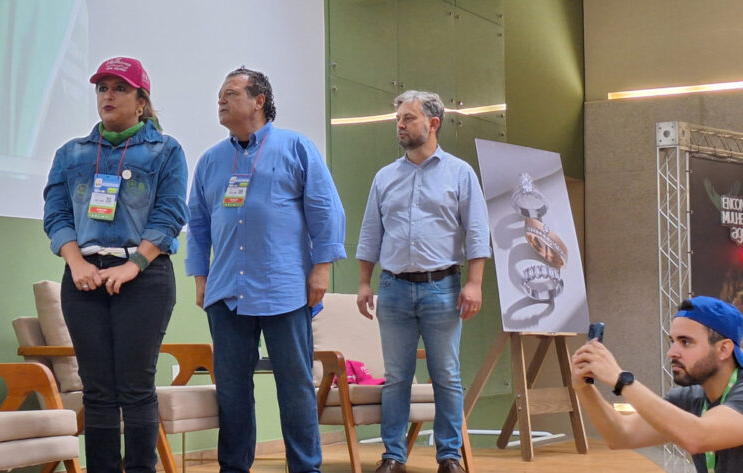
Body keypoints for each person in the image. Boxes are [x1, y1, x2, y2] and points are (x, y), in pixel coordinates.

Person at [186, 67, 346, 473]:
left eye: (231, 93)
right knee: (232, 390)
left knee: (295, 387)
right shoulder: (210, 160)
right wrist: (201, 279)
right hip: (226, 293)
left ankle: (305, 467)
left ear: (259, 100)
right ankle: (234, 467)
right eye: (220, 94)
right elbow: (198, 225)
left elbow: (326, 210)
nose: (221, 100)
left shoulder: (296, 147)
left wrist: (322, 269)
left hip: (285, 290)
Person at [43, 56, 188, 473]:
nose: (108, 95)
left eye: (120, 88)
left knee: (136, 387)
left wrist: (134, 264)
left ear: (142, 101)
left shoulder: (165, 151)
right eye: (102, 88)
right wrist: (76, 263)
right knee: (97, 391)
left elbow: (169, 214)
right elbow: (56, 215)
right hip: (83, 278)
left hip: (144, 277)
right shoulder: (71, 153)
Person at [355, 90, 490, 473]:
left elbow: (477, 231)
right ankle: (393, 456)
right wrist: (364, 283)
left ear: (433, 123)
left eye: (408, 118)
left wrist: (475, 283)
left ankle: (449, 456)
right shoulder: (385, 177)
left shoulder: (460, 173)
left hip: (442, 288)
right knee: (397, 376)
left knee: (446, 375)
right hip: (393, 288)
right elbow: (370, 234)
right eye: (398, 118)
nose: (400, 125)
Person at [572, 296, 743, 473]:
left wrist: (621, 379)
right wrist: (583, 387)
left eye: (685, 342)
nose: (672, 352)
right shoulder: (690, 398)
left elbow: (699, 437)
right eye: (673, 341)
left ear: (724, 349)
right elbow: (622, 435)